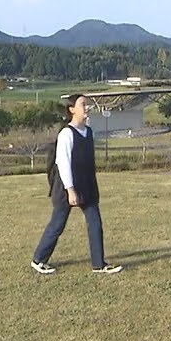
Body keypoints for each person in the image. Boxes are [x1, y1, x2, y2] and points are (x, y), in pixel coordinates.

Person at [30, 94, 122, 275]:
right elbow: (63, 163)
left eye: (86, 104)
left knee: (95, 223)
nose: (86, 108)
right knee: (58, 224)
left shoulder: (88, 132)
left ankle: (99, 264)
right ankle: (39, 260)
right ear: (72, 109)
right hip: (66, 187)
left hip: (86, 185)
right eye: (83, 104)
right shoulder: (66, 133)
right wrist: (70, 191)